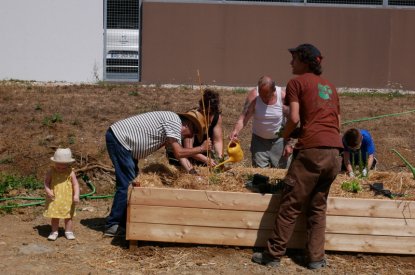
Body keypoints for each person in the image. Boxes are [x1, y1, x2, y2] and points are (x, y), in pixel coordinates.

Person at [251, 44, 343, 270]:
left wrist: (286, 134)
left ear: (304, 60)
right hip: (334, 152)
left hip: (312, 152)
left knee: (290, 203)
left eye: (294, 59)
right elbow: (337, 124)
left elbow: (293, 117)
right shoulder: (330, 87)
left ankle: (272, 255)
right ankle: (315, 259)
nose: (291, 63)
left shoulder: (296, 83)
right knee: (318, 207)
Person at [104, 111, 212, 237]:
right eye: (193, 133)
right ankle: (113, 225)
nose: (190, 136)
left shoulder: (171, 129)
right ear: (188, 125)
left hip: (125, 144)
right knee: (127, 183)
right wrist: (202, 149)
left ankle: (124, 221)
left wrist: (193, 174)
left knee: (132, 181)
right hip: (121, 140)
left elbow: (180, 156)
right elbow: (179, 153)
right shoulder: (174, 121)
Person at [229, 75, 289, 168]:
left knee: (281, 172)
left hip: (279, 141)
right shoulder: (254, 96)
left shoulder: (283, 97)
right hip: (259, 142)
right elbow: (243, 118)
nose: (263, 98)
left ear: (273, 90)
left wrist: (289, 143)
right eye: (261, 95)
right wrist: (235, 132)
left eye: (266, 96)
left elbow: (292, 121)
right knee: (259, 175)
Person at [167, 89, 224, 173]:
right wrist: (206, 160)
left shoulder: (216, 118)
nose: (210, 118)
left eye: (212, 113)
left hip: (203, 151)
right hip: (185, 154)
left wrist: (219, 158)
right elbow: (189, 149)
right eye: (207, 113)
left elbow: (217, 141)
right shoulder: (193, 119)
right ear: (201, 109)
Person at [43, 148, 80, 241]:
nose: (61, 169)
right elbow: (46, 182)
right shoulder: (51, 171)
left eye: (64, 167)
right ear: (54, 163)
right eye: (59, 167)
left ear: (68, 165)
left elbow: (75, 184)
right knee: (55, 216)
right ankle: (54, 231)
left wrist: (76, 195)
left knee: (68, 216)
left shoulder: (70, 172)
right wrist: (48, 191)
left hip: (67, 198)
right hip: (54, 198)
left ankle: (68, 231)